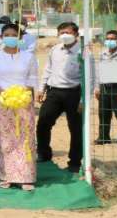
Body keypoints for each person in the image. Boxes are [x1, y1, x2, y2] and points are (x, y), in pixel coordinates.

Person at [0, 23, 39, 190]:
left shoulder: (29, 57)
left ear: (20, 38)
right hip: (2, 102)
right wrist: (5, 92)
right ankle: (6, 175)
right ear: (1, 38)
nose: (10, 38)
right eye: (6, 35)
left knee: (25, 138)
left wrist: (21, 93)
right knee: (5, 139)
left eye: (14, 35)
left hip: (23, 102)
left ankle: (26, 176)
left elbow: (32, 79)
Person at [36, 21, 83, 173]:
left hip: (74, 93)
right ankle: (44, 153)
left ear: (76, 34)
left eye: (68, 32)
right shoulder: (55, 49)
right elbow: (48, 69)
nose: (65, 35)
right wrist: (41, 89)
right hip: (54, 92)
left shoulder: (83, 52)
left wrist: (83, 100)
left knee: (75, 128)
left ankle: (75, 162)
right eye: (62, 33)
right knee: (43, 122)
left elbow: (89, 76)